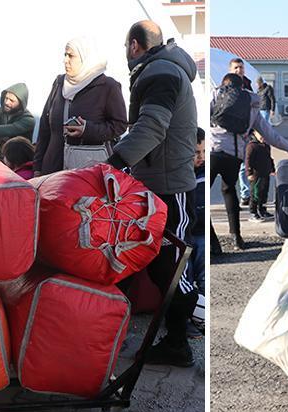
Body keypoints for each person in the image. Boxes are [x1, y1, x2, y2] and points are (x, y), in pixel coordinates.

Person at [106, 20, 198, 366]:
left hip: (169, 188)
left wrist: (114, 162)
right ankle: (157, 338)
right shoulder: (163, 68)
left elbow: (152, 127)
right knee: (153, 264)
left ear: (134, 45)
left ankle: (178, 342)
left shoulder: (160, 72)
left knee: (173, 270)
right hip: (157, 183)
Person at [210, 73, 288, 253]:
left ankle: (213, 244)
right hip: (234, 155)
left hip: (214, 152)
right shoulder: (251, 105)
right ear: (242, 87)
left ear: (223, 85)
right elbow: (269, 134)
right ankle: (236, 238)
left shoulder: (215, 95)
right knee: (229, 191)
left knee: (202, 198)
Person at [35, 37, 128, 176]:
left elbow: (120, 126)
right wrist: (37, 168)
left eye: (71, 56)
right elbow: (45, 128)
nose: (65, 60)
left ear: (85, 58)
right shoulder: (59, 83)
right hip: (53, 169)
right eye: (65, 55)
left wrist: (87, 129)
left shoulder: (107, 86)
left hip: (87, 172)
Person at [186, 127, 205, 339]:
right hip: (186, 234)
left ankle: (199, 319)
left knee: (201, 278)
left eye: (203, 152)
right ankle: (186, 318)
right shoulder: (181, 175)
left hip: (200, 234)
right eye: (196, 153)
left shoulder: (203, 173)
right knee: (185, 278)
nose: (200, 157)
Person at [229, 58, 253, 206]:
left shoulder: (248, 85)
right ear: (231, 70)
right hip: (230, 134)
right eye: (236, 68)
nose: (239, 70)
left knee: (246, 164)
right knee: (235, 166)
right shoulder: (226, 85)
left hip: (247, 132)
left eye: (241, 68)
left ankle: (246, 194)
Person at [245, 135, 274, 222]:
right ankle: (253, 212)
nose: (263, 137)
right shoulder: (252, 146)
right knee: (255, 194)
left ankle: (262, 210)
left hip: (265, 173)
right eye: (260, 135)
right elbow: (248, 160)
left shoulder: (266, 146)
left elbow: (269, 158)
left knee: (264, 193)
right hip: (256, 175)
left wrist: (272, 169)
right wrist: (249, 173)